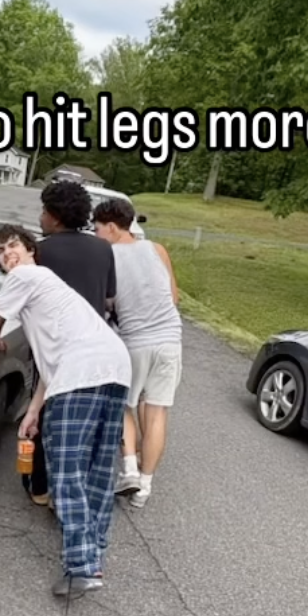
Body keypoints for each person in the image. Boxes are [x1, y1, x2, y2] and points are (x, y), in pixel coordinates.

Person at [0, 225, 131, 599]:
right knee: (99, 468)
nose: (8, 254)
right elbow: (49, 363)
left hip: (81, 373)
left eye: (13, 245)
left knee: (65, 470)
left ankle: (82, 567)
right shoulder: (46, 286)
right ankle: (93, 554)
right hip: (115, 367)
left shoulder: (25, 276)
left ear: (31, 249)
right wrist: (34, 410)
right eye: (1, 251)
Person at [25, 178, 118, 505]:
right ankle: (68, 492)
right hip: (92, 349)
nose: (41, 217)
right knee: (80, 423)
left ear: (55, 215)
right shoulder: (103, 248)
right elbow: (109, 298)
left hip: (51, 347)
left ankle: (40, 487)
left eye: (44, 211)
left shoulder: (40, 251)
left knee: (42, 414)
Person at [92, 196, 182, 509]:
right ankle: (145, 487)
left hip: (134, 341)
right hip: (170, 339)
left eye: (98, 228)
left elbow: (107, 303)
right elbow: (173, 297)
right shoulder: (157, 249)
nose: (96, 234)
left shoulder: (106, 257)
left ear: (112, 227)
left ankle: (129, 468)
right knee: (156, 413)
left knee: (123, 405)